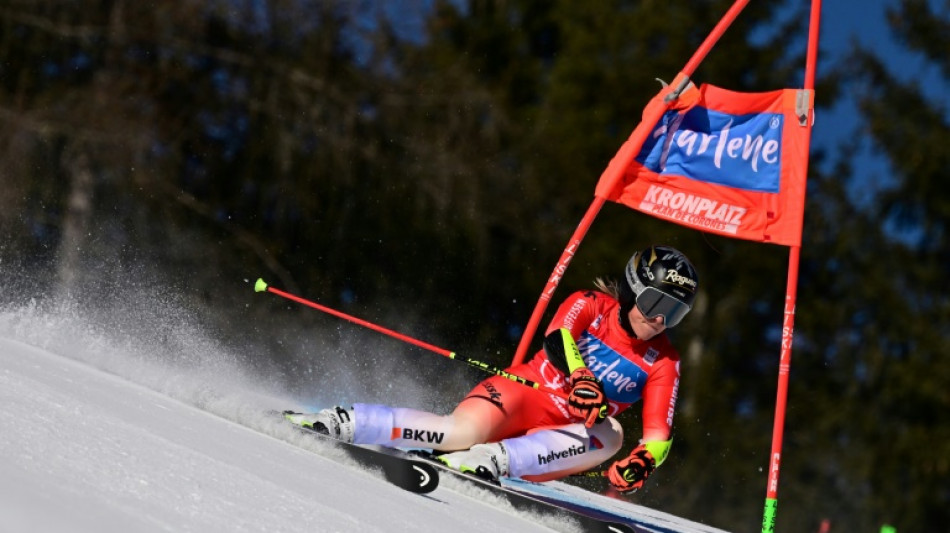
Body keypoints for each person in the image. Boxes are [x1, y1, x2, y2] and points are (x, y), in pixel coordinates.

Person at [286, 244, 699, 493]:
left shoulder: (664, 361)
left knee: (612, 435)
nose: (660, 320)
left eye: (674, 312)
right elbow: (557, 338)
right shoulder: (591, 305)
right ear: (631, 290)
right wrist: (581, 377)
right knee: (455, 433)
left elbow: (658, 436)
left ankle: (494, 460)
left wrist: (643, 462)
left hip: (564, 436)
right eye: (655, 304)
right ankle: (344, 421)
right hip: (524, 393)